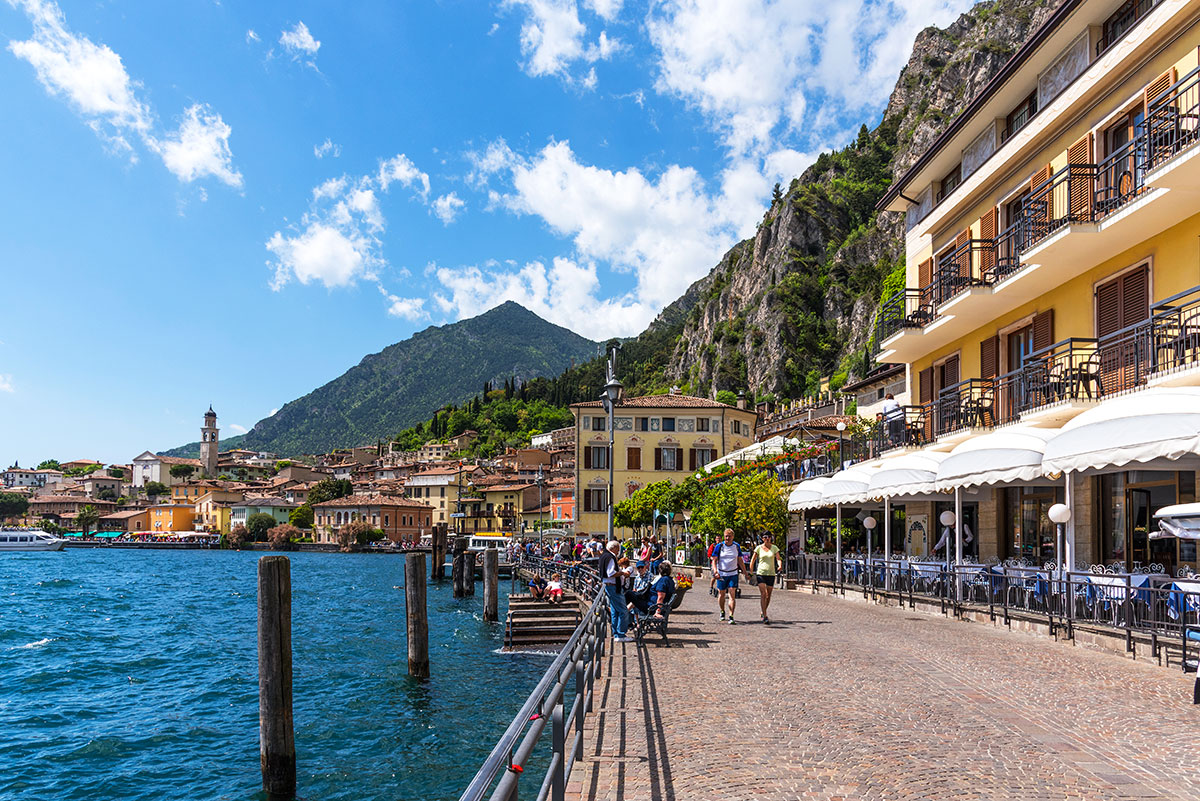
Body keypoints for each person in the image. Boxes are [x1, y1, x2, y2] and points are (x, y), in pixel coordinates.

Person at [599, 540, 632, 642]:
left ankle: (616, 632)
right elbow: (611, 573)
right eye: (618, 549)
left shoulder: (604, 556)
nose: (619, 551)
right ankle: (621, 634)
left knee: (614, 611)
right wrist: (622, 573)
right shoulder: (611, 557)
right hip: (613, 586)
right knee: (623, 610)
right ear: (613, 548)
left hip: (609, 586)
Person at [710, 528, 744, 624]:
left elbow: (740, 560)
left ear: (733, 537)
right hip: (722, 573)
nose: (727, 538)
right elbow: (714, 560)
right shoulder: (719, 546)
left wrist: (745, 572)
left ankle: (731, 615)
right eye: (726, 536)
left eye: (729, 536)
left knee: (732, 594)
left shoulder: (736, 546)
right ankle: (722, 611)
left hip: (733, 573)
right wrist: (715, 570)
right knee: (721, 594)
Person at [749, 533, 783, 623]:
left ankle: (763, 611)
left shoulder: (774, 548)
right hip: (761, 573)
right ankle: (765, 615)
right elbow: (753, 560)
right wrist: (751, 572)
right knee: (763, 594)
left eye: (769, 537)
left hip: (771, 574)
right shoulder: (759, 548)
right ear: (762, 538)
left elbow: (778, 558)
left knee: (768, 595)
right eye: (765, 537)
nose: (767, 539)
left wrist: (779, 565)